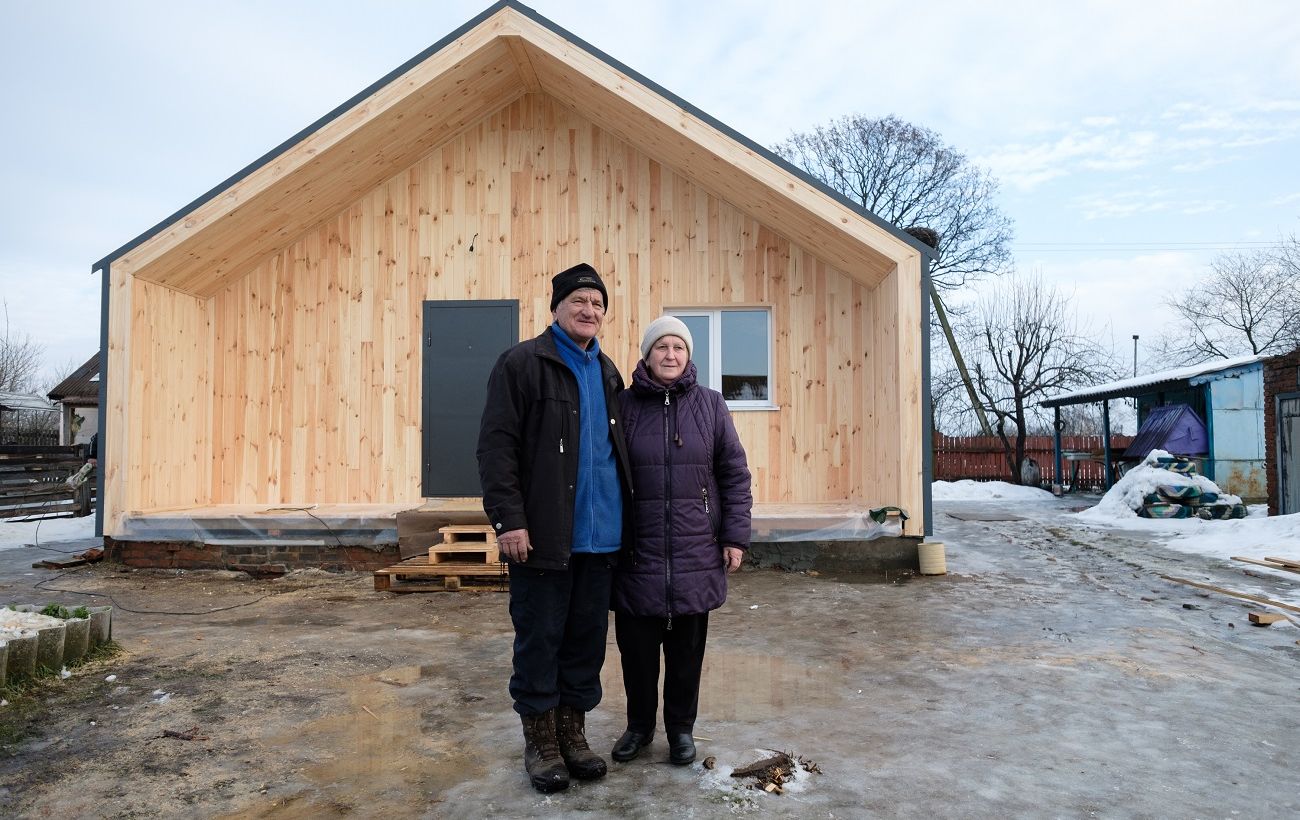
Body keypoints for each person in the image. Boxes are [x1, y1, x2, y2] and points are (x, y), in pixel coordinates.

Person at [476, 263, 633, 794]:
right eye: (579, 302)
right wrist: (509, 520)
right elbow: (497, 448)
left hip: (602, 535)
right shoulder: (522, 363)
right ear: (557, 308)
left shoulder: (609, 372)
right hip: (543, 535)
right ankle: (541, 741)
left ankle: (573, 733)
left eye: (598, 304)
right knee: (540, 638)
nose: (589, 311)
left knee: (586, 642)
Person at [610, 315, 753, 766]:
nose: (670, 355)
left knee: (687, 652)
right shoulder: (625, 406)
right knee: (636, 654)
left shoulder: (710, 405)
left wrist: (735, 536)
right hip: (637, 550)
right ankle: (638, 727)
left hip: (695, 549)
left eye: (679, 348)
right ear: (647, 354)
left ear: (689, 356)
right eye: (661, 347)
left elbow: (734, 474)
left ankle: (680, 730)